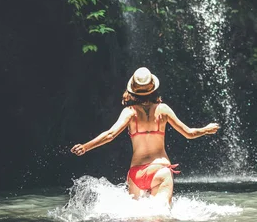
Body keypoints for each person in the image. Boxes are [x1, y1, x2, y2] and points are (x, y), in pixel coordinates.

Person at [71, 67, 219, 206]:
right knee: (161, 220)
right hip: (160, 170)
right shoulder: (163, 109)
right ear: (153, 88)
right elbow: (189, 133)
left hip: (136, 173)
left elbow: (110, 135)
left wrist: (85, 147)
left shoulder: (129, 112)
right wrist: (206, 129)